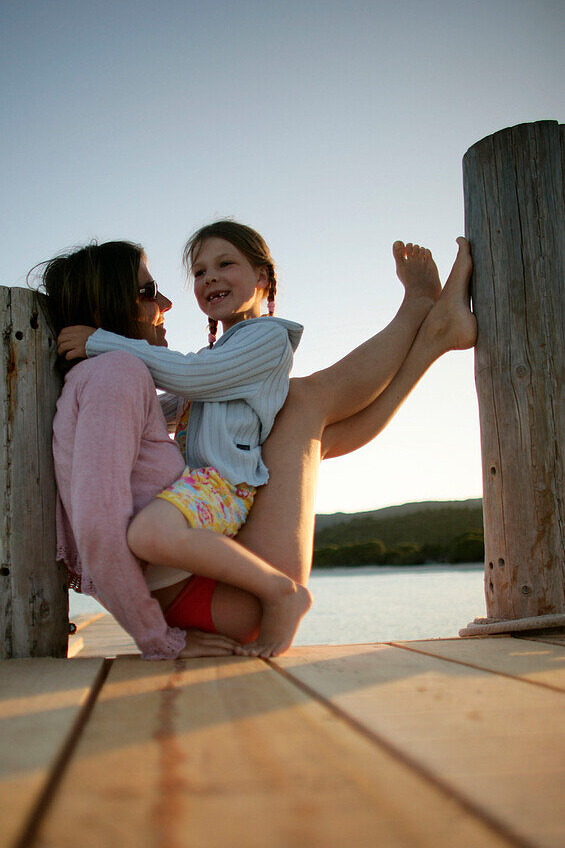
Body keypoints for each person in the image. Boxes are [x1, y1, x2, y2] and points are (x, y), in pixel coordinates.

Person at [45, 228, 476, 659]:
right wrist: (159, 639)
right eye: (150, 290)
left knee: (309, 420)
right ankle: (428, 324)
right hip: (210, 595)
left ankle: (434, 332)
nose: (168, 303)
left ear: (263, 281)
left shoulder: (132, 370)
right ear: (109, 305)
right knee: (303, 404)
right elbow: (99, 525)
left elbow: (186, 388)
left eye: (225, 264)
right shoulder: (115, 373)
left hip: (205, 565)